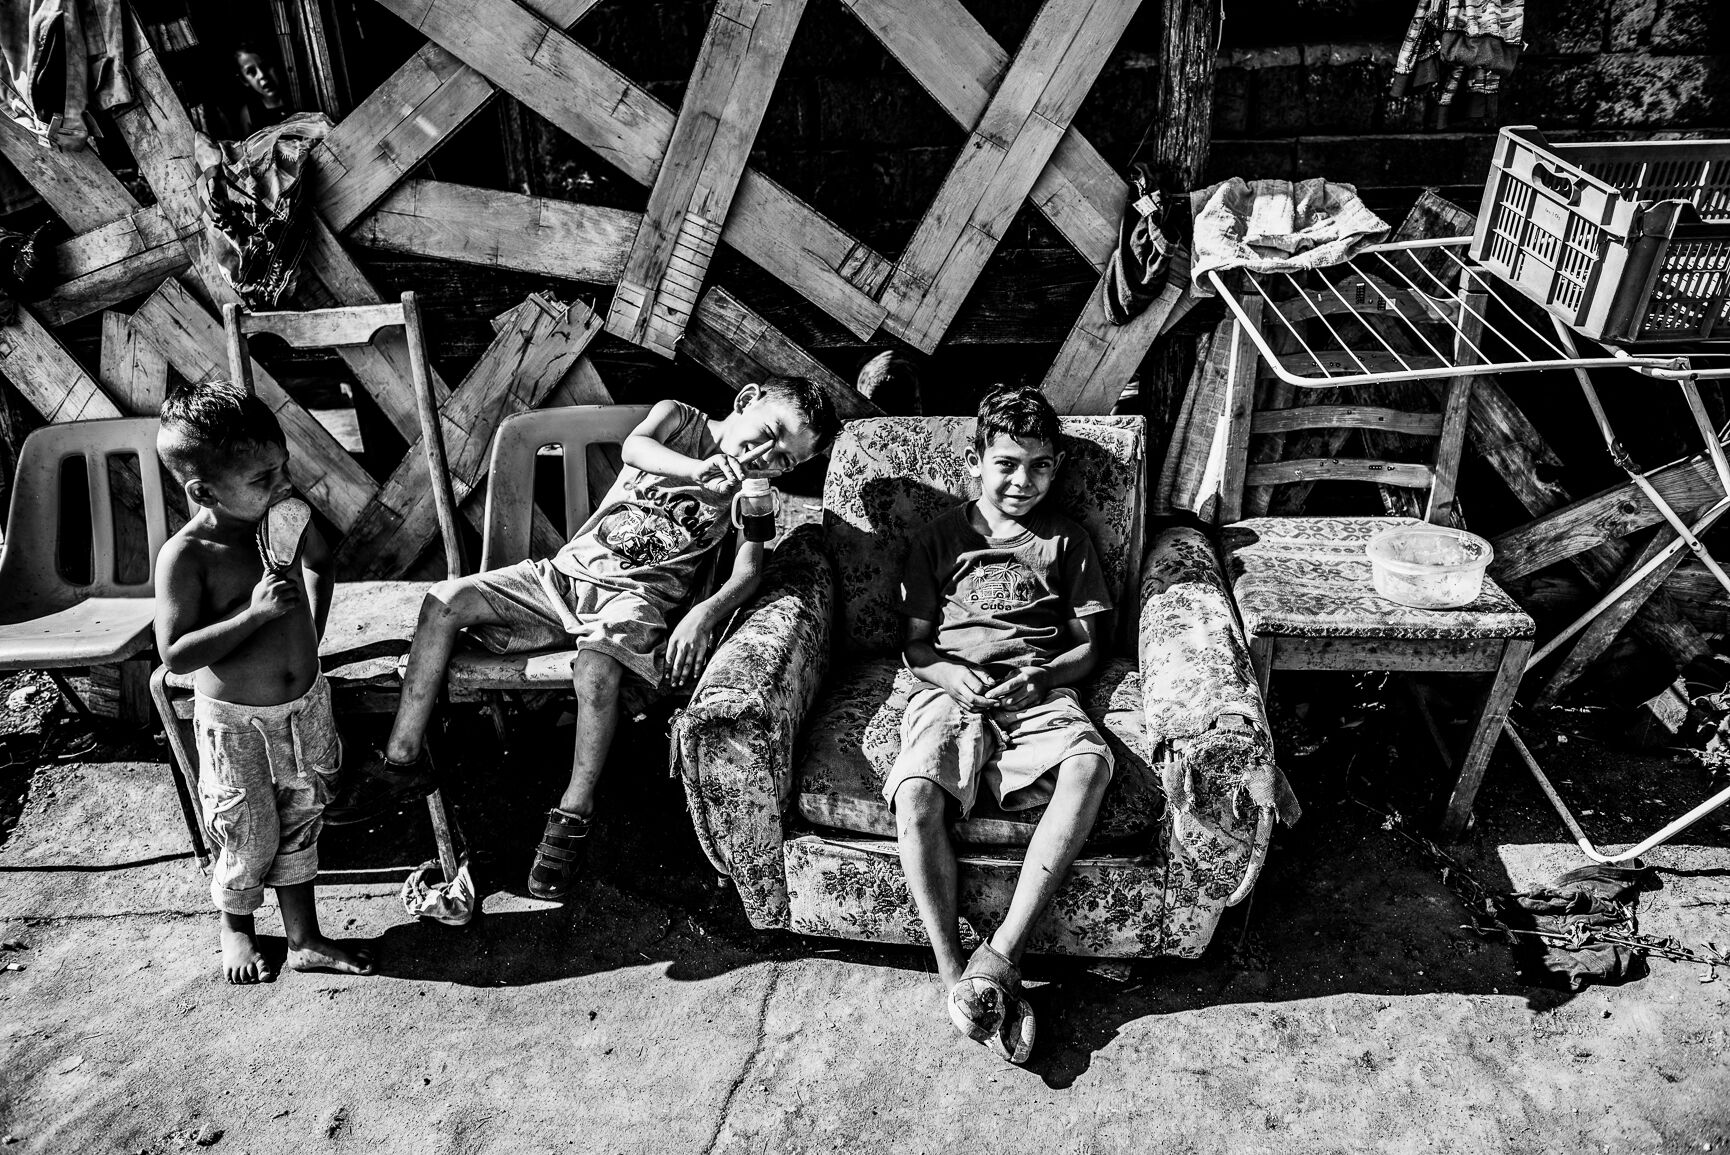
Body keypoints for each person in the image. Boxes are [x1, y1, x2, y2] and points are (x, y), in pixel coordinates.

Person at [362, 379, 840, 901]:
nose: (766, 456)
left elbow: (748, 573)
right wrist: (696, 470)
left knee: (595, 668)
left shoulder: (753, 494)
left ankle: (574, 810)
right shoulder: (679, 416)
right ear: (745, 402)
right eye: (769, 433)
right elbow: (636, 447)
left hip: (636, 601)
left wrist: (701, 616)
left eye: (785, 460)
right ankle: (402, 761)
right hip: (559, 578)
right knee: (443, 600)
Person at [888, 385, 1114, 1065]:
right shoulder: (938, 539)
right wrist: (947, 675)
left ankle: (1002, 955)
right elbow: (915, 645)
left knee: (1090, 764)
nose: (1022, 480)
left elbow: (1089, 644)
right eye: (1007, 464)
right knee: (915, 792)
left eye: (1039, 466)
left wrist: (1044, 677)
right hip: (952, 690)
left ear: (1057, 467)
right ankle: (955, 973)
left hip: (1035, 690)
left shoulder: (1067, 540)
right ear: (976, 463)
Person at [154, 381, 374, 984]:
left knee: (303, 817)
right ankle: (237, 926)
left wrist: (311, 632)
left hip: (304, 709)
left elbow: (321, 562)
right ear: (204, 491)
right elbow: (175, 654)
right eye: (262, 478)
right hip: (238, 726)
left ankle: (304, 939)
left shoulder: (285, 521)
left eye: (284, 468)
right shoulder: (188, 555)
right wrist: (253, 616)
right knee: (248, 830)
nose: (283, 485)